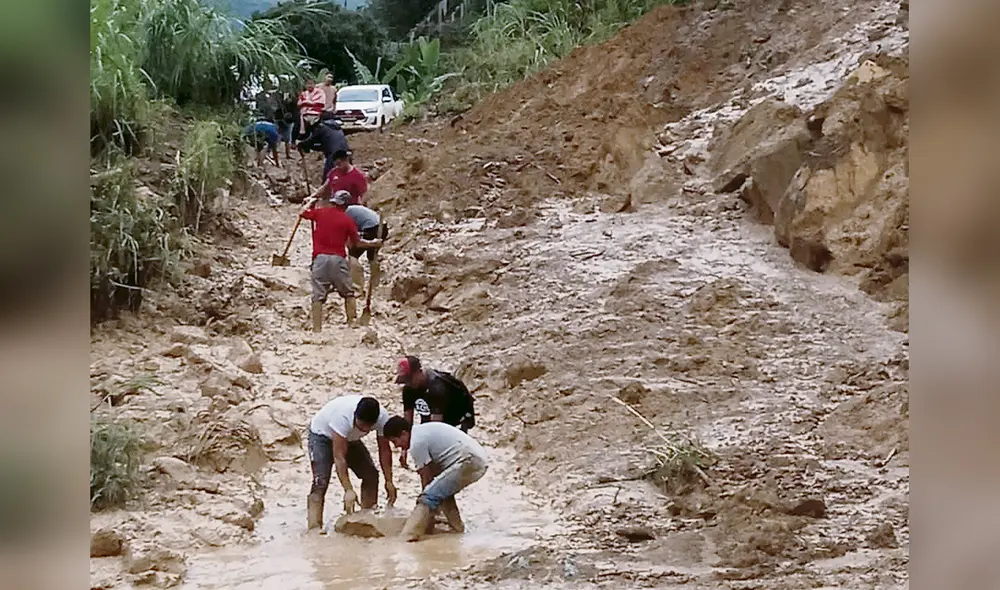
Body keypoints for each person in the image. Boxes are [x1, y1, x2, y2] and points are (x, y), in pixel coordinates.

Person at [382, 417, 489, 541]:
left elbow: (426, 480)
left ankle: (407, 536)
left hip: (468, 460)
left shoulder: (416, 443)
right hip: (475, 458)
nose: (396, 446)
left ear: (404, 434)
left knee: (428, 496)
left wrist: (426, 510)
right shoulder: (420, 432)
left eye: (395, 441)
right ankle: (457, 530)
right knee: (441, 492)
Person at [307, 395, 398, 531]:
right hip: (322, 436)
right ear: (355, 416)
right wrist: (348, 489)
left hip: (351, 439)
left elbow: (384, 450)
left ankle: (367, 518)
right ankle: (314, 528)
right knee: (320, 481)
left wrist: (389, 480)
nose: (364, 430)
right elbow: (339, 457)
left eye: (367, 428)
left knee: (371, 474)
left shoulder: (382, 418)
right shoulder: (342, 417)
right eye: (361, 426)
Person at [299, 191, 382, 330]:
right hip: (338, 260)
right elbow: (357, 243)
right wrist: (373, 243)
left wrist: (310, 202)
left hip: (320, 260)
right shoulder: (348, 220)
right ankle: (351, 323)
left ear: (333, 202)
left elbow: (302, 213)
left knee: (318, 295)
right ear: (346, 205)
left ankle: (317, 329)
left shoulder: (321, 213)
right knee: (348, 293)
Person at [345, 203, 388, 317]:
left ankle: (358, 287)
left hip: (372, 228)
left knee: (353, 255)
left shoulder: (345, 214)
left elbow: (352, 237)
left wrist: (350, 246)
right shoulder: (352, 209)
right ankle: (375, 283)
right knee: (372, 256)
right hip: (382, 227)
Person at [297, 116, 351, 184]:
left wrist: (301, 144)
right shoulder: (334, 128)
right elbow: (324, 145)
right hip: (345, 153)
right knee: (348, 175)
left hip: (334, 155)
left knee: (328, 177)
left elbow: (311, 141)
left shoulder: (321, 128)